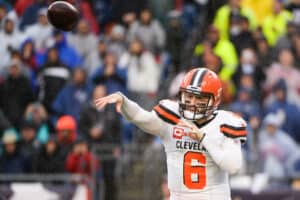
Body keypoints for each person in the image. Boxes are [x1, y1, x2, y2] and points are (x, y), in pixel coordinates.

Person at [95, 68, 247, 200]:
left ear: (215, 99)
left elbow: (233, 165)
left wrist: (203, 138)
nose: (192, 102)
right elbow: (142, 118)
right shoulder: (172, 115)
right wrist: (125, 102)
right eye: (189, 96)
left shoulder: (226, 122)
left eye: (199, 98)